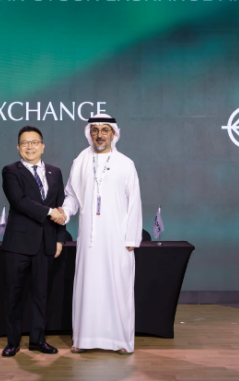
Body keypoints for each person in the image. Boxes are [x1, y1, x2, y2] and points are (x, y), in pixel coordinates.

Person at [60, 113, 142, 355]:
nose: (99, 135)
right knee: (88, 286)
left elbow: (134, 202)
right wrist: (65, 212)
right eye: (95, 130)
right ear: (89, 133)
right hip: (89, 238)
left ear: (113, 133)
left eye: (104, 130)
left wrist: (131, 237)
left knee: (118, 286)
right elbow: (72, 195)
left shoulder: (126, 164)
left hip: (117, 239)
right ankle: (83, 338)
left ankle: (121, 341)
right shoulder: (80, 161)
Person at [0, 126, 68, 357]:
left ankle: (38, 340)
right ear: (18, 147)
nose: (30, 146)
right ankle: (13, 342)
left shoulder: (55, 172)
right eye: (25, 143)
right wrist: (49, 212)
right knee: (14, 295)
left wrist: (59, 239)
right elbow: (19, 201)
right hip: (17, 245)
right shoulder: (11, 171)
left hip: (45, 244)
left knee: (41, 295)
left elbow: (60, 207)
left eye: (34, 142)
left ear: (42, 146)